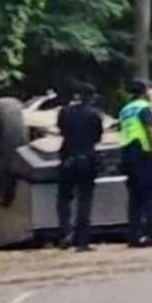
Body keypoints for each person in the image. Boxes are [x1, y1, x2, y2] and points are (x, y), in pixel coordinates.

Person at [119, 78, 152, 248]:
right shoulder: (144, 108)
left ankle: (134, 236)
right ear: (144, 91)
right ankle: (151, 234)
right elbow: (148, 130)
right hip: (143, 154)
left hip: (127, 154)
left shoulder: (125, 110)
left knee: (134, 197)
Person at [57, 83, 104, 252]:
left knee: (64, 199)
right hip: (87, 159)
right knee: (85, 200)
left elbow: (61, 130)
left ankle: (65, 233)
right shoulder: (95, 115)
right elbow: (98, 137)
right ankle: (82, 241)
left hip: (67, 157)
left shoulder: (64, 112)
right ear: (91, 97)